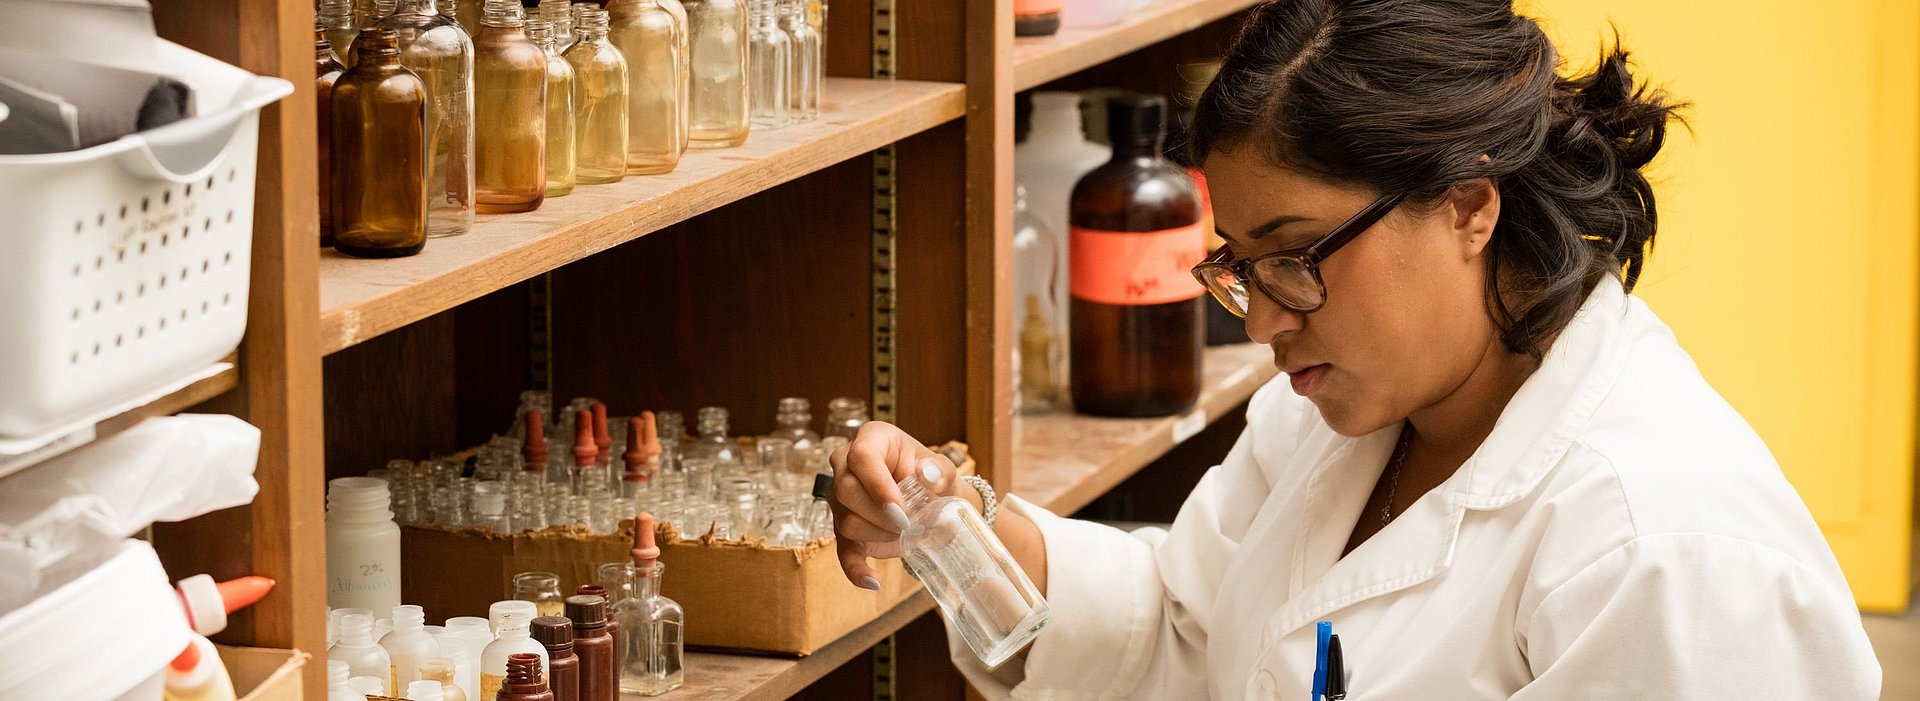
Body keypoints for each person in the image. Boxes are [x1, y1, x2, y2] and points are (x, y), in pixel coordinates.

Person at [827, 0, 1883, 697]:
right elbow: (1188, 630)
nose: (1261, 319)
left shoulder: (1661, 549)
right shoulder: (1338, 406)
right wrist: (964, 525)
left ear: (1469, 205)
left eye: (1296, 255)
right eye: (1237, 262)